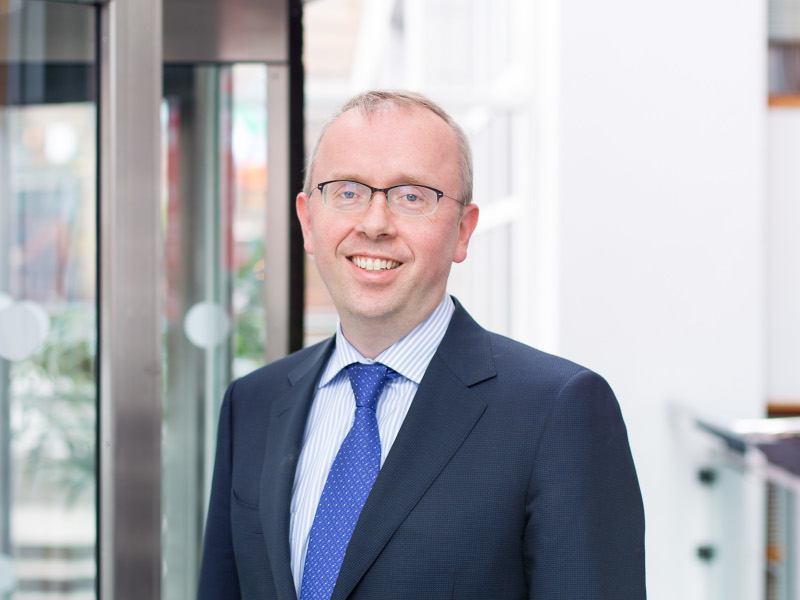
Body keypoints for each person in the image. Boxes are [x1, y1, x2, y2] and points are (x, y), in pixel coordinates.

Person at [197, 90, 646, 600]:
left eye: (412, 196)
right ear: (307, 219)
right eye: (347, 191)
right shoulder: (252, 403)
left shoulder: (558, 411)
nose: (374, 223)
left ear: (462, 230)